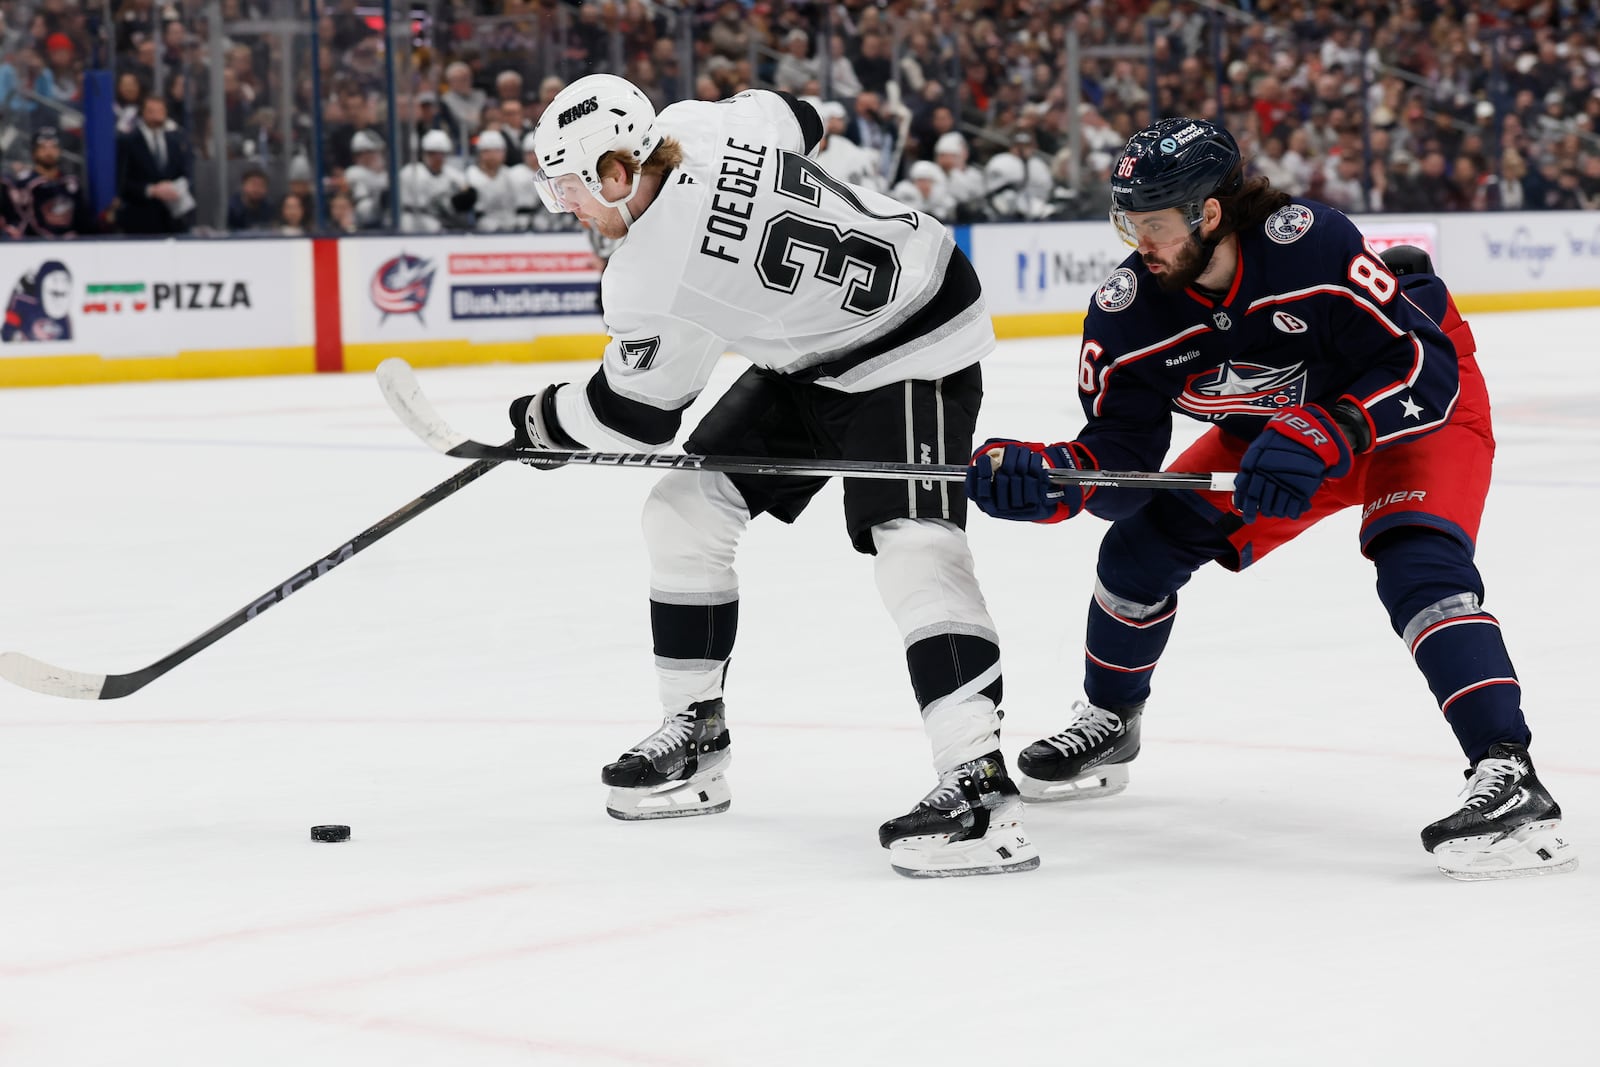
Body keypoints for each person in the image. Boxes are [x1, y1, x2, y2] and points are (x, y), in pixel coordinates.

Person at [964, 117, 1576, 881]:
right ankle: (1111, 721)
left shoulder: (1309, 244)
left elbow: (1425, 365)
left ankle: (1509, 774)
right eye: (1126, 221)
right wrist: (1045, 477)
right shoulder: (1128, 311)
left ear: (1208, 214)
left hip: (1403, 413)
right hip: (1281, 432)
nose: (1136, 242)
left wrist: (1334, 426)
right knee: (1139, 551)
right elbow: (1119, 467)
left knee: (1417, 561)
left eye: (1151, 223)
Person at [517, 74, 1035, 878]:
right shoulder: (695, 121)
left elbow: (641, 412)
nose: (566, 207)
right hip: (819, 348)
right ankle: (696, 734)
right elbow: (802, 116)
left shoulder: (651, 273)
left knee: (912, 546)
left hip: (917, 333)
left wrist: (546, 423)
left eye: (570, 188)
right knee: (684, 512)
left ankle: (978, 783)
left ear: (618, 171)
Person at [115, 94, 193, 235]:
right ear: (143, 113)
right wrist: (151, 190)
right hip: (139, 219)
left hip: (172, 219)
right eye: (152, 111)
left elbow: (185, 172)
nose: (157, 116)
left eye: (160, 111)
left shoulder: (175, 141)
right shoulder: (128, 142)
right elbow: (122, 181)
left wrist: (175, 187)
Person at [2, 128, 98, 239]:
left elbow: (83, 219)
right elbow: (23, 221)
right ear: (34, 153)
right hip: (37, 246)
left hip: (72, 246)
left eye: (53, 147)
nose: (49, 152)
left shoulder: (71, 183)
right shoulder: (26, 185)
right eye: (43, 148)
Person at [399, 128, 472, 232]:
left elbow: (467, 192)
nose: (437, 157)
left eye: (441, 153)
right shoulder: (409, 172)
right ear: (425, 153)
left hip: (440, 219)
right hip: (410, 216)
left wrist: (464, 196)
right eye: (432, 153)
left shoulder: (454, 176)